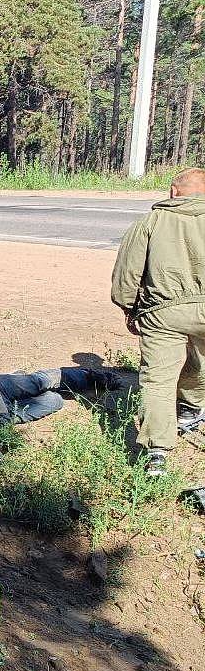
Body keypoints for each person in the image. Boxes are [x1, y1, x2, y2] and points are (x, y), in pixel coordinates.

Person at [112, 167, 205, 477]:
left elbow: (128, 273)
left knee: (159, 380)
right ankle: (191, 409)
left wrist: (128, 307)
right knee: (202, 364)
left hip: (163, 313)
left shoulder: (149, 222)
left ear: (173, 192)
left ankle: (158, 453)